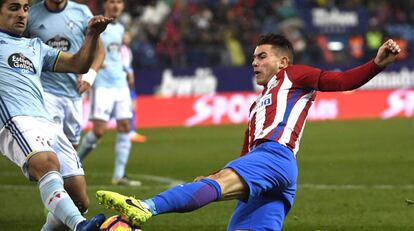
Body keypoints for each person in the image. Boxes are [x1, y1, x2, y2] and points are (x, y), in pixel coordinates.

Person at [96, 33, 401, 231]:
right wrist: (217, 174)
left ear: (282, 61)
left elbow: (341, 81)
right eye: (253, 57)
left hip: (276, 156)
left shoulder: (294, 75)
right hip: (272, 171)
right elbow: (245, 157)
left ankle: (146, 207)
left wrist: (376, 64)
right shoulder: (257, 106)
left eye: (261, 56)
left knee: (217, 185)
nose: (254, 62)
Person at [0, 0, 112, 230]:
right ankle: (81, 226)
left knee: (78, 198)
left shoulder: (35, 46)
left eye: (25, 8)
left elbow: (78, 63)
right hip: (14, 118)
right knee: (46, 163)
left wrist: (92, 35)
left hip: (46, 121)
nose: (22, 14)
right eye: (13, 8)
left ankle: (75, 219)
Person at [25, 0, 105, 151]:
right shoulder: (31, 15)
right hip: (45, 93)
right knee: (51, 148)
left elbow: (100, 51)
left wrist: (89, 76)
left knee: (71, 150)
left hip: (74, 94)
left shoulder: (82, 12)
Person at [77, 0, 140, 186]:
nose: (116, 6)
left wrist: (128, 73)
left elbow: (119, 54)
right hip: (103, 83)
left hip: (120, 83)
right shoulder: (96, 26)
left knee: (125, 127)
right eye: (112, 1)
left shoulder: (120, 29)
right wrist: (89, 68)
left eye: (119, 2)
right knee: (98, 131)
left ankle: (119, 175)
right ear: (105, 4)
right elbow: (85, 47)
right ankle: (75, 164)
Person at [120, 31, 147, 143]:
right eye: (125, 36)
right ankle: (96, 133)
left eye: (128, 36)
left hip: (128, 82)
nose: (127, 38)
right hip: (121, 82)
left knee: (133, 106)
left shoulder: (128, 50)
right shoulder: (119, 50)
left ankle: (132, 132)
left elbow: (128, 66)